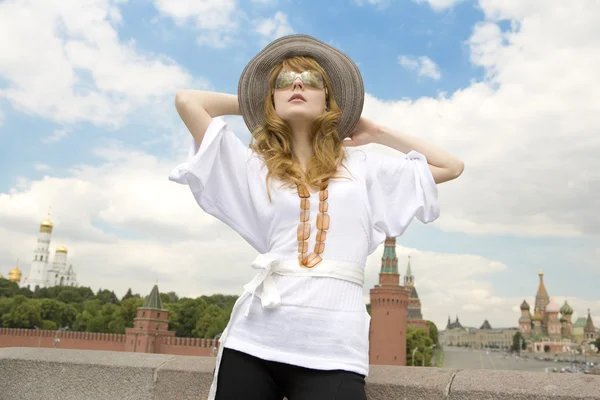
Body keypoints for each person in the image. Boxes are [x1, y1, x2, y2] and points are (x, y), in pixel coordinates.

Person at [169, 34, 463, 400]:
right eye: (283, 81)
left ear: (329, 99)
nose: (296, 84)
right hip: (254, 343)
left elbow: (450, 166)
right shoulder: (254, 168)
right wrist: (258, 104)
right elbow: (188, 100)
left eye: (311, 80)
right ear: (271, 98)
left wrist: (377, 132)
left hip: (334, 349)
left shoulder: (364, 167)